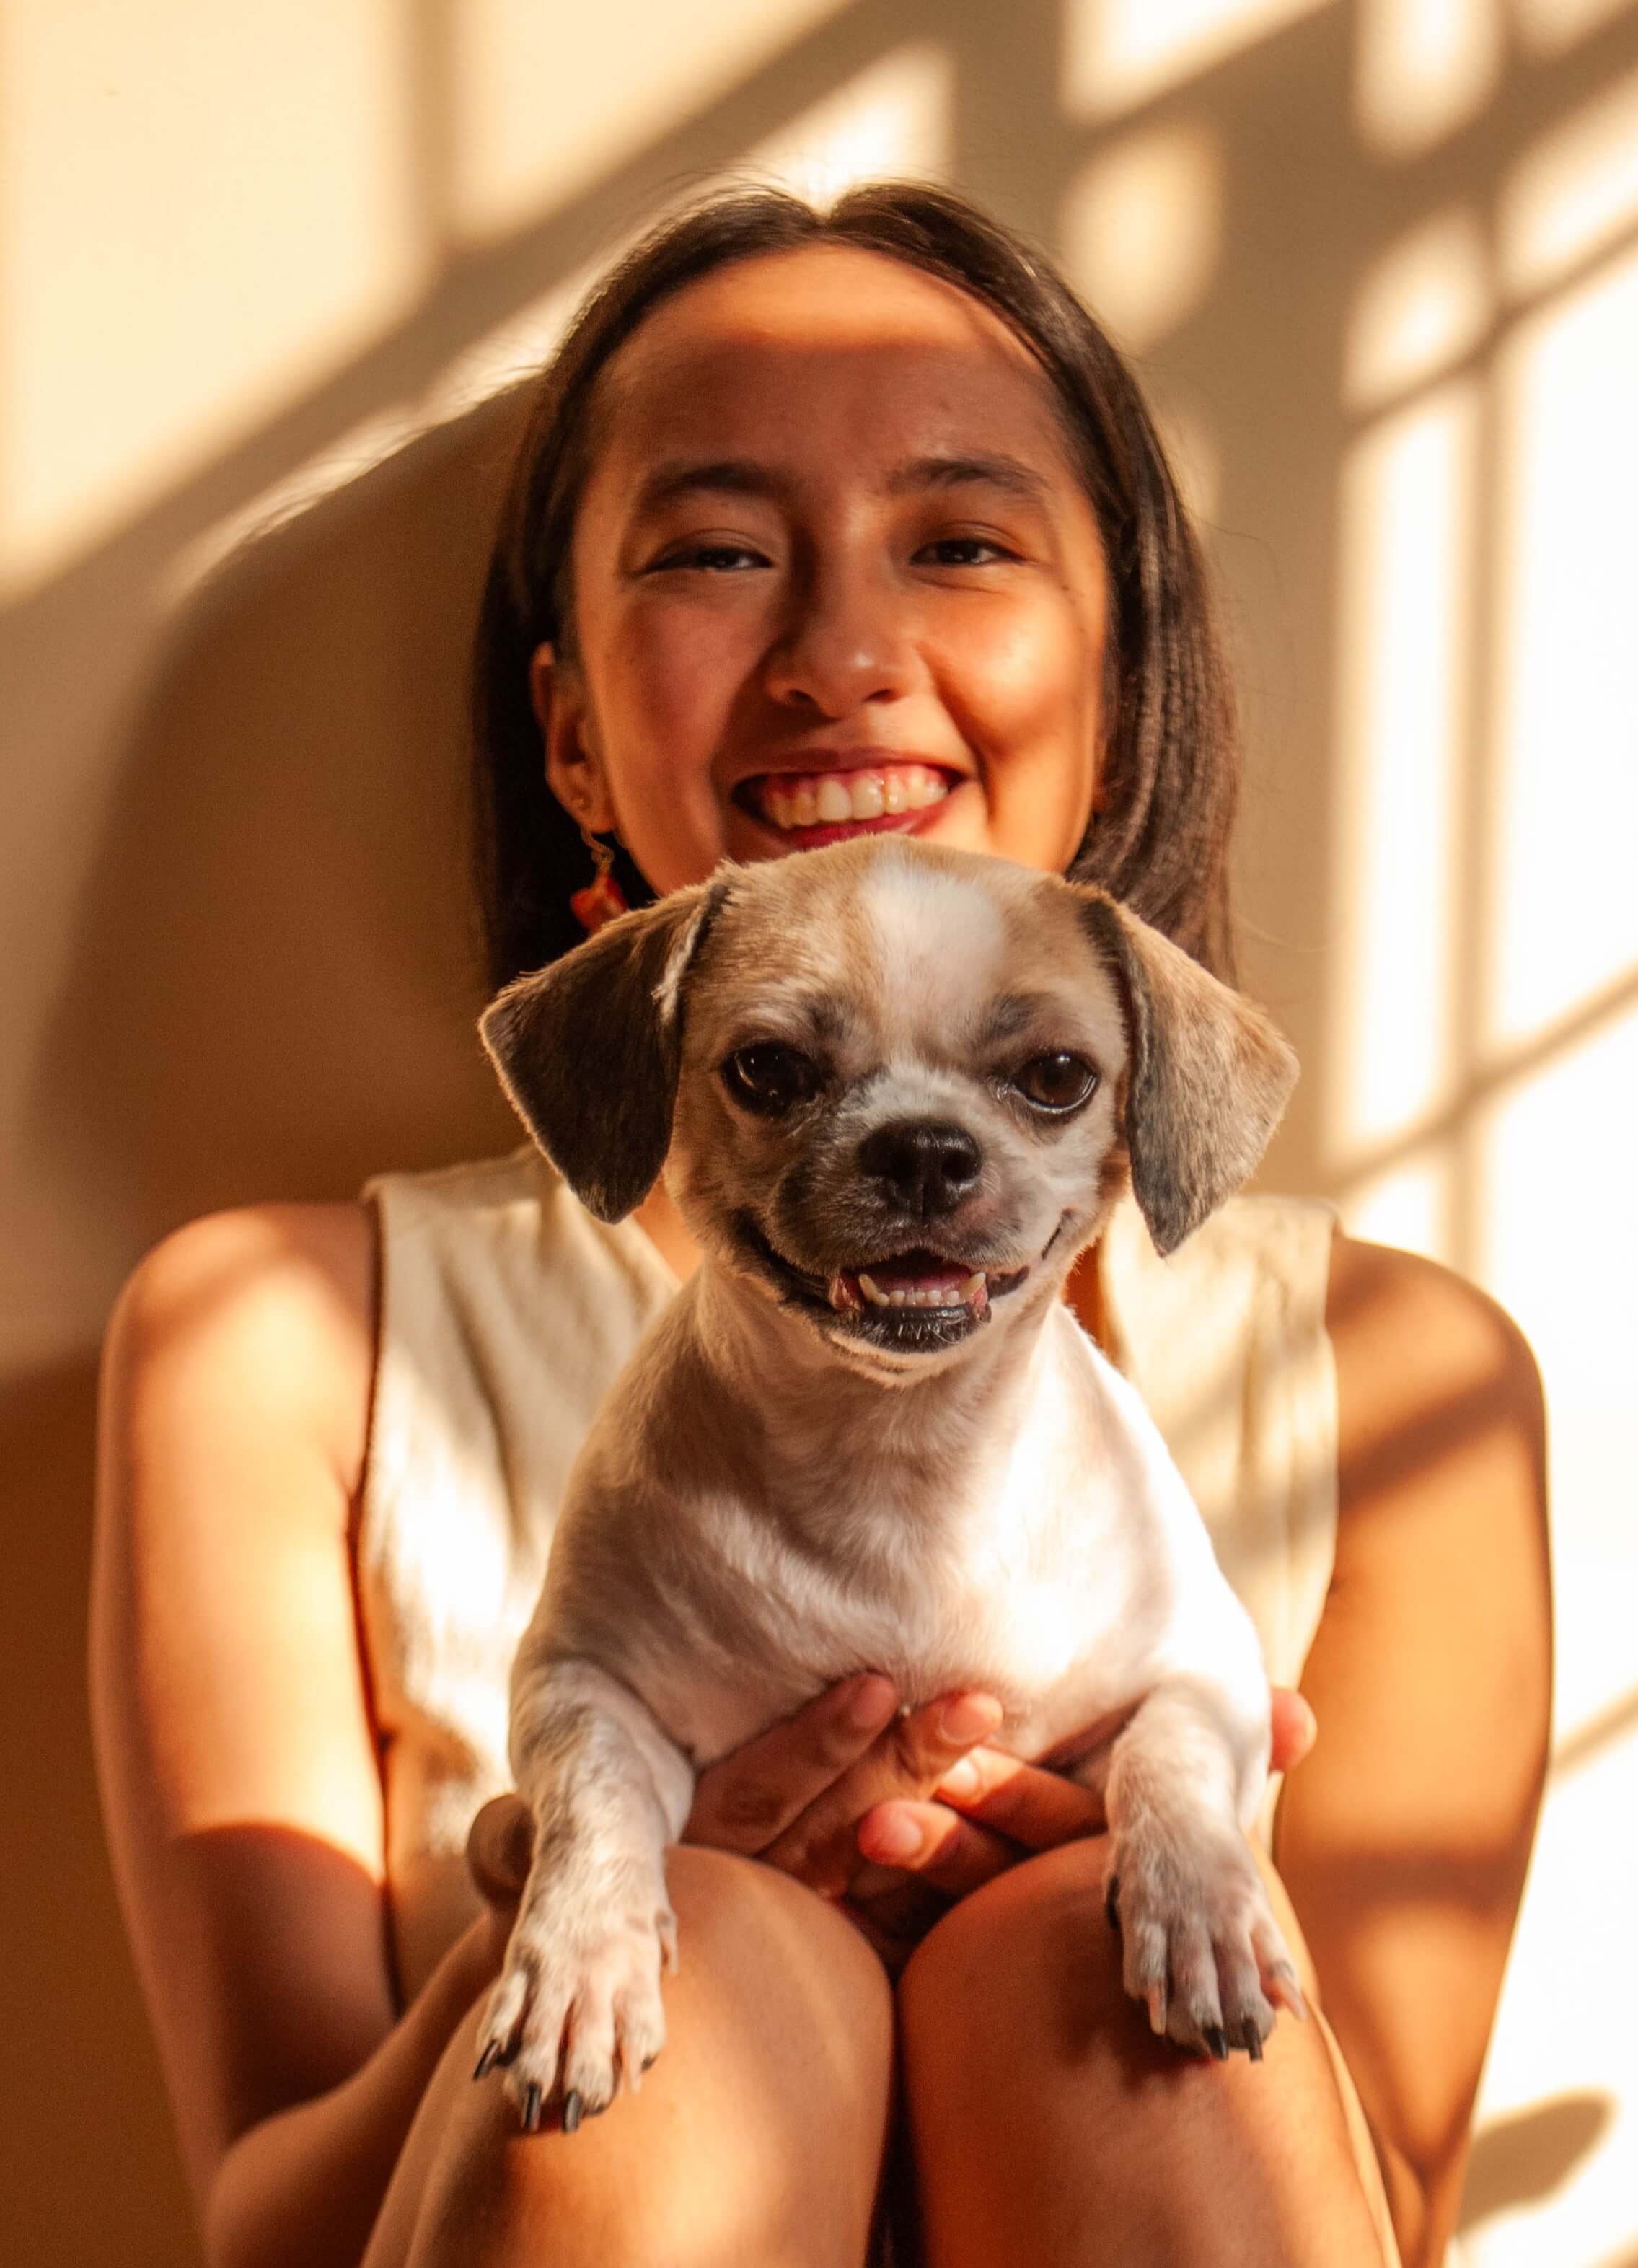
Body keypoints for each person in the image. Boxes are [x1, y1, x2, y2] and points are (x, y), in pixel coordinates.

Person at [90, 183, 1550, 2268]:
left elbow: (1373, 2213)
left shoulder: (1403, 1381)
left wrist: (1103, 1879)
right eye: (714, 552)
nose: (849, 659)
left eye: (961, 541)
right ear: (572, 728)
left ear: (1120, 682)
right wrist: (601, 1899)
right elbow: (263, 2229)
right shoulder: (284, 1340)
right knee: (679, 1975)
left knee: (1084, 1976)